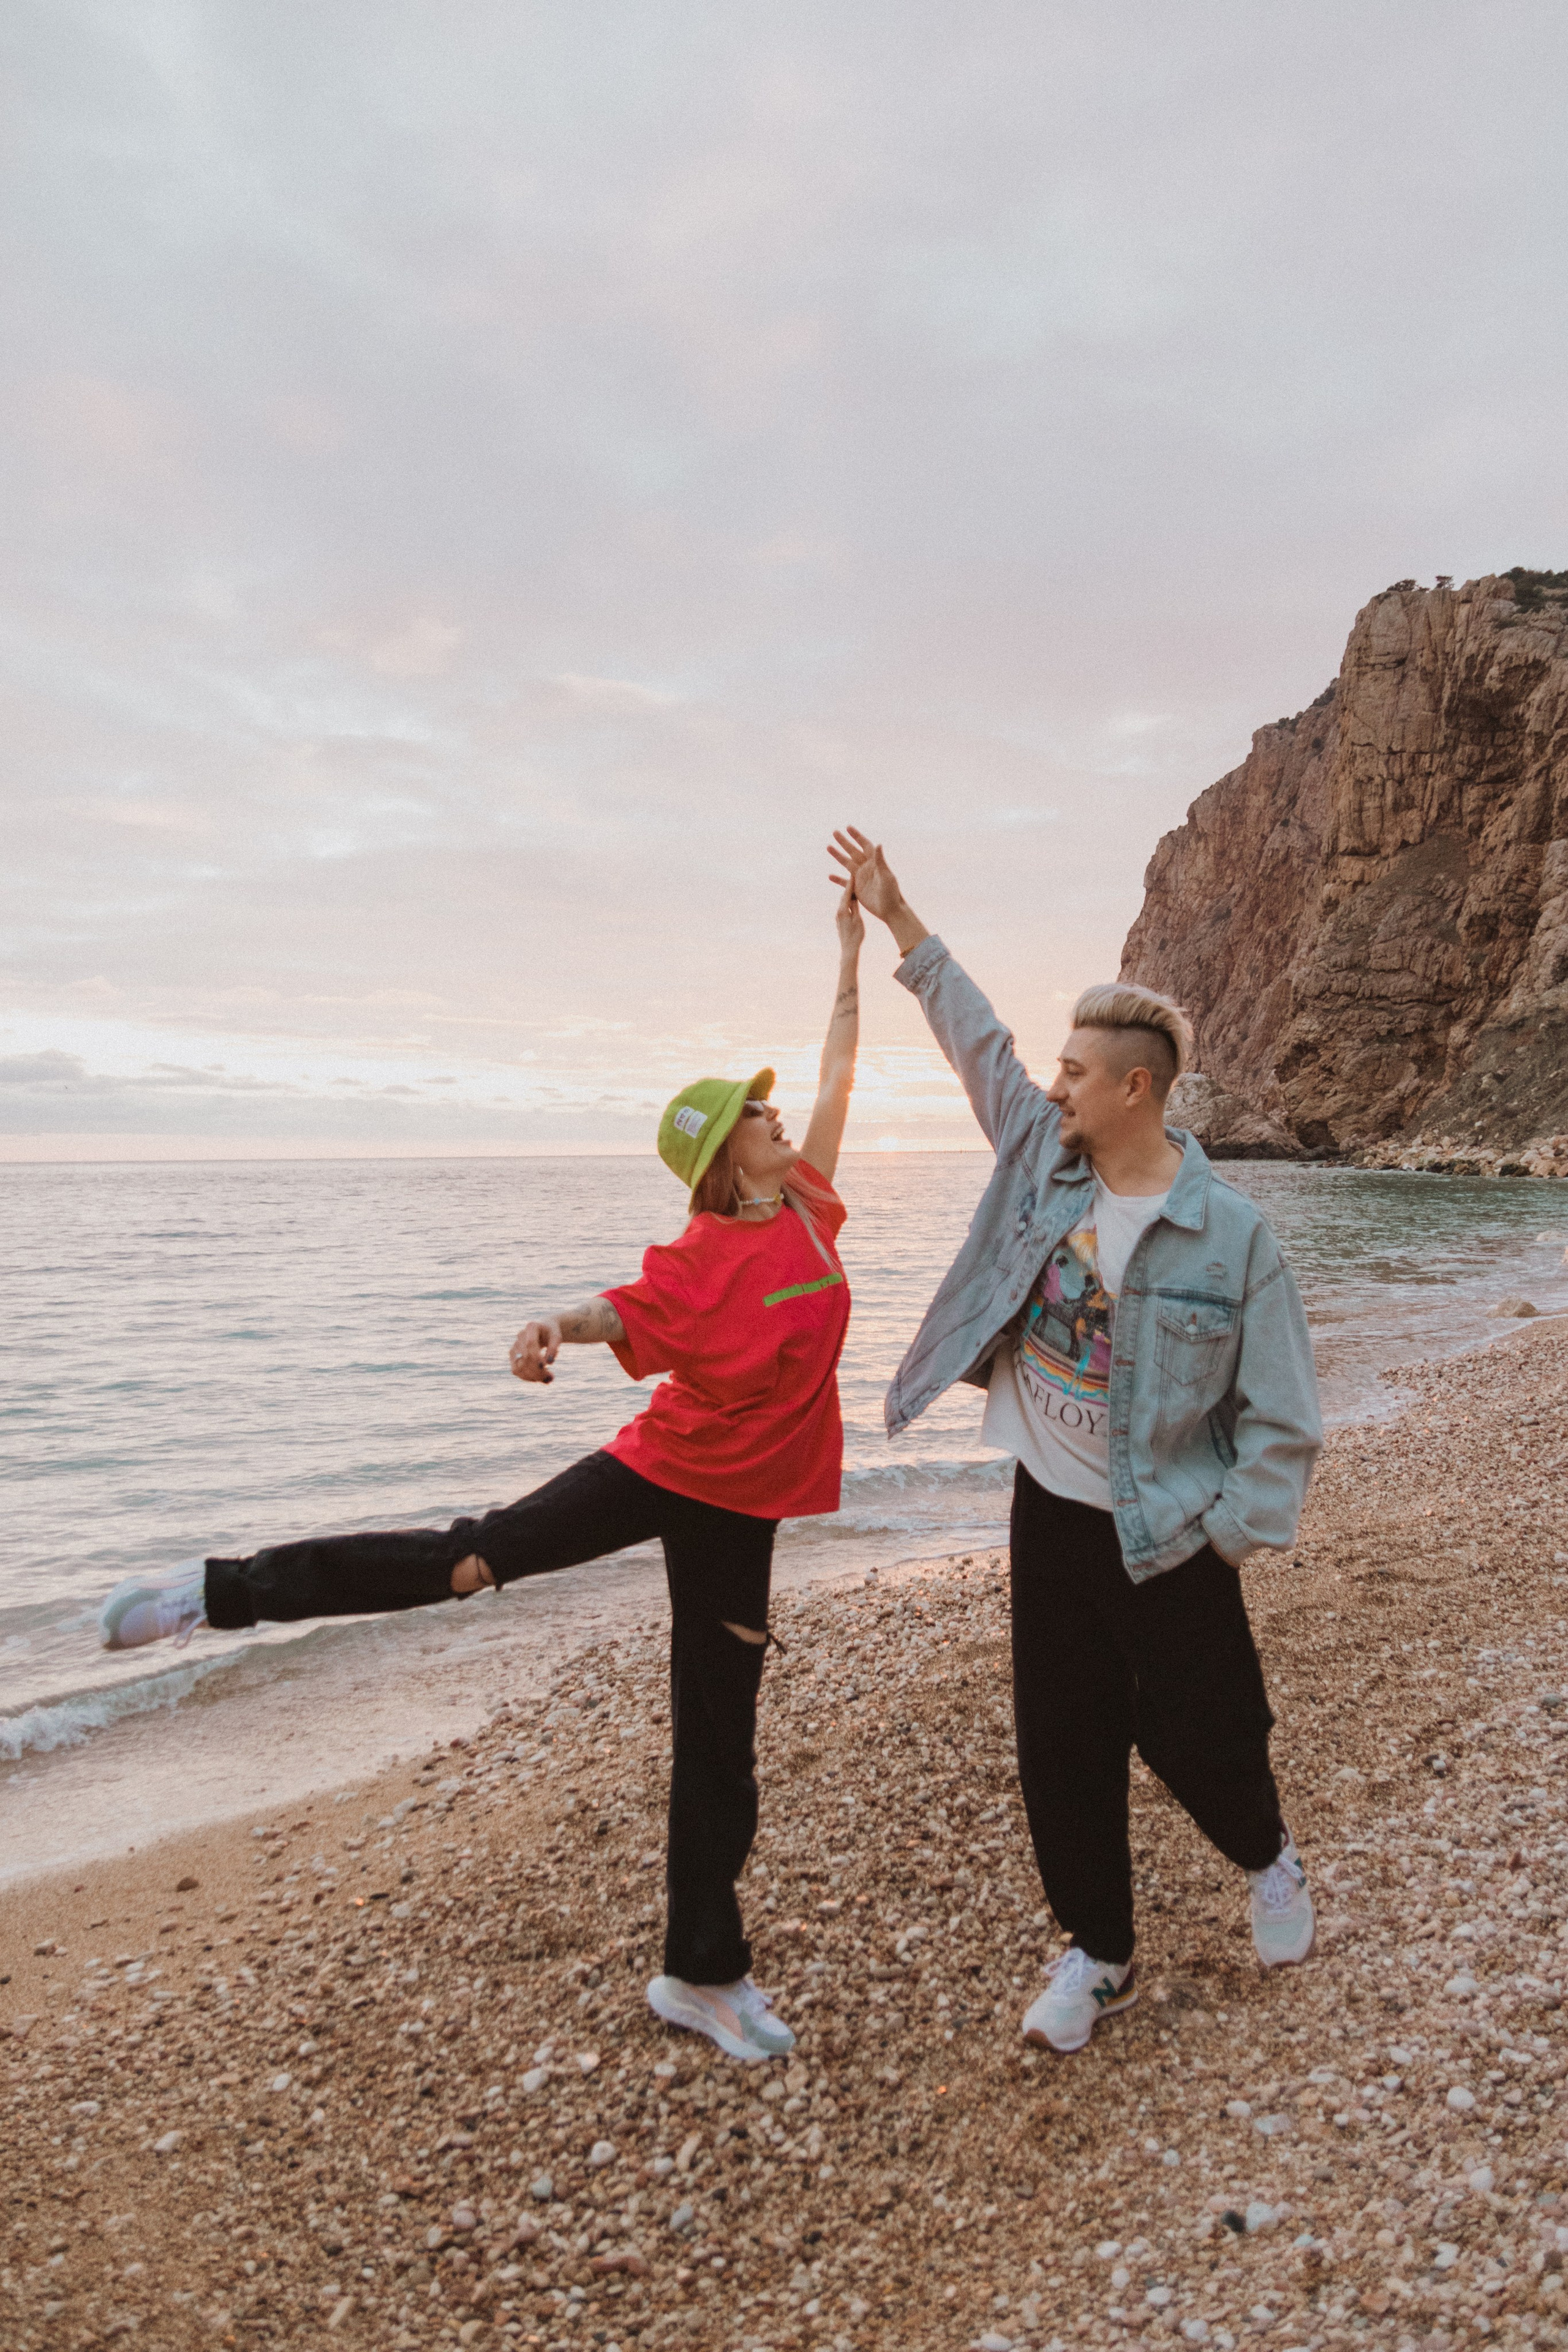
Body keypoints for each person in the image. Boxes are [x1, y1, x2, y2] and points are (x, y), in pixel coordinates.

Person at [97, 888, 867, 2065]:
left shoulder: (810, 1204)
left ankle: (702, 1975)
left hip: (742, 1509)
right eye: (752, 1114)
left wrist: (853, 954)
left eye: (768, 1106)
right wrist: (547, 1323)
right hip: (663, 1468)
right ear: (722, 1159)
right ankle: (218, 1594)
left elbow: (840, 1072)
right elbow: (620, 1308)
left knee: (722, 1739)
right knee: (471, 1561)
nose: (777, 1116)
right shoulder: (698, 1256)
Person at [829, 826, 1322, 2057]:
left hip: (1167, 1524)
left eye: (1073, 1071)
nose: (1049, 1085)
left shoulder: (1229, 1237)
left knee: (1203, 1730)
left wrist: (1229, 1535)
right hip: (1049, 1513)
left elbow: (1281, 1417)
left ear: (1133, 1089)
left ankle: (1266, 1859)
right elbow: (976, 1040)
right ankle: (1098, 1951)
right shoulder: (1039, 1162)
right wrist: (900, 918)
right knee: (1059, 1737)